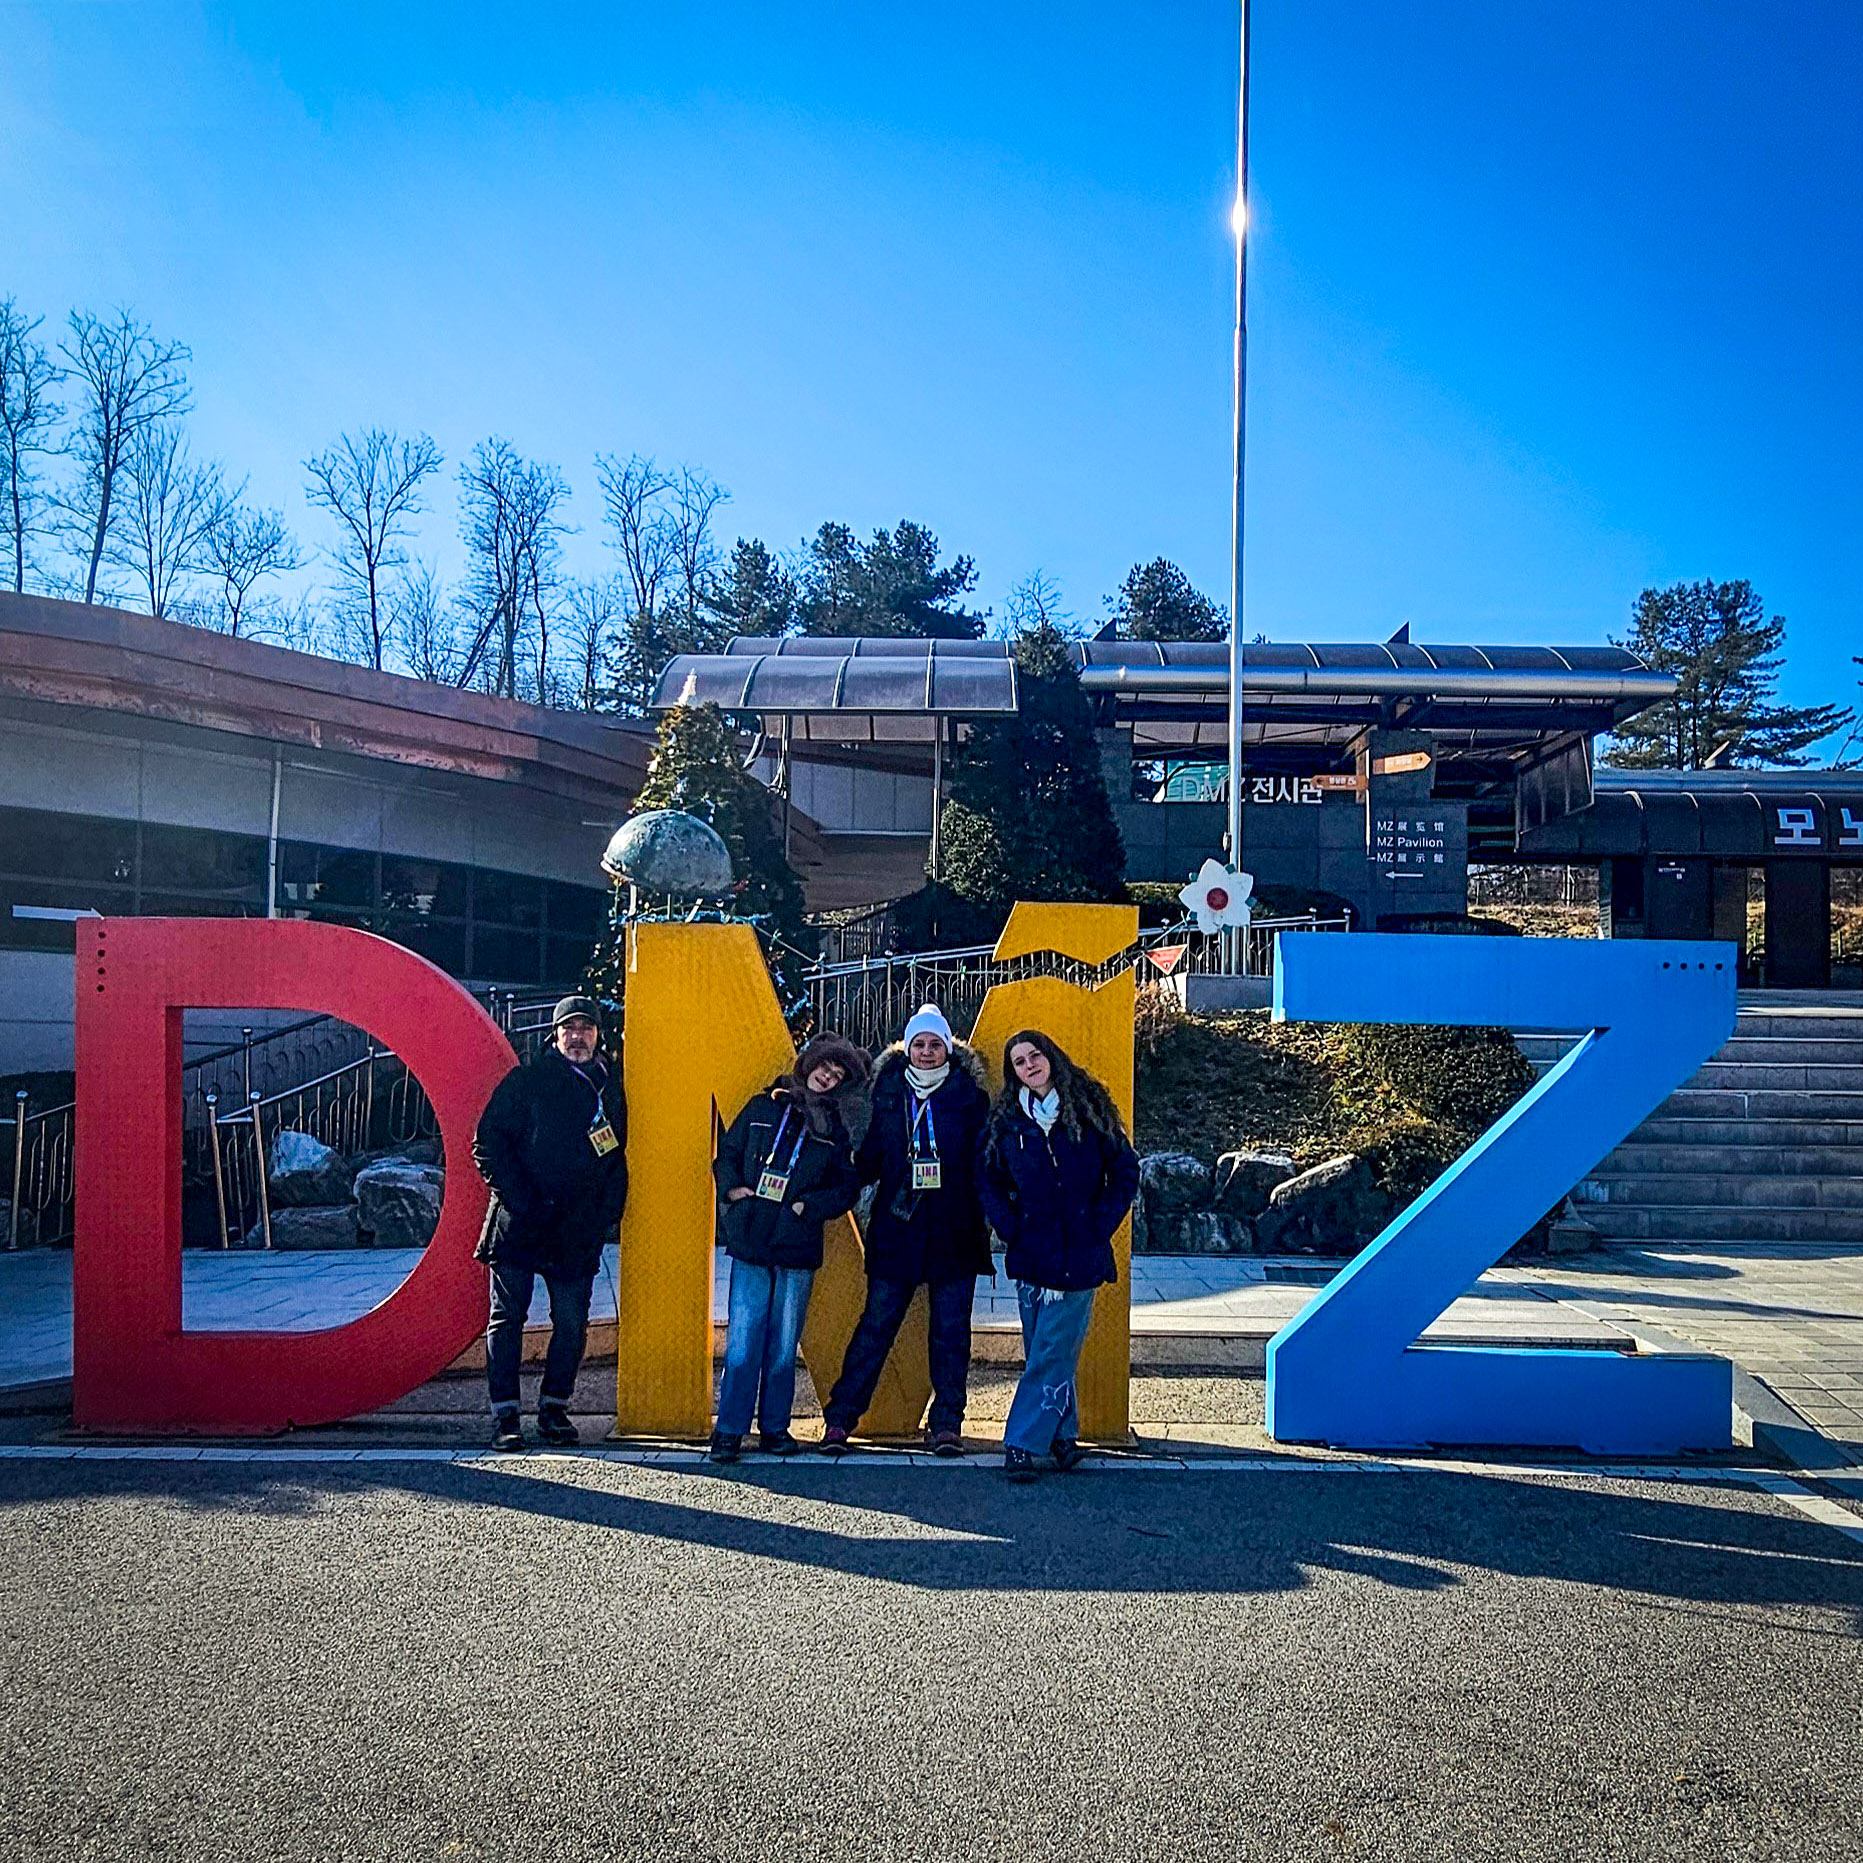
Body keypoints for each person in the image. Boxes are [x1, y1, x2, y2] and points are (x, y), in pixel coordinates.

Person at [819, 1003, 992, 1457]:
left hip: (954, 1232)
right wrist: (831, 1182)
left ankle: (946, 1424)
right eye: (920, 1044)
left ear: (948, 1049)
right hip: (898, 1230)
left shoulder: (969, 1098)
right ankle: (840, 1419)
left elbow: (985, 1164)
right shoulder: (889, 1093)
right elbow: (870, 1159)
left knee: (951, 1334)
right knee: (875, 1327)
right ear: (908, 1048)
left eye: (936, 1044)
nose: (928, 1052)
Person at [977, 1028, 1139, 1483]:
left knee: (1051, 1351)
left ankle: (1022, 1442)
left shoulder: (1087, 1109)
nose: (1030, 1065)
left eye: (1035, 1055)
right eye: (1019, 1062)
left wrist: (1098, 1223)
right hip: (1032, 1255)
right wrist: (1009, 1226)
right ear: (1013, 1072)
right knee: (1045, 1350)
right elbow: (988, 1180)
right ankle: (1062, 1436)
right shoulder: (1008, 1122)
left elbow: (1125, 1171)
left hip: (1079, 1256)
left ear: (1051, 1056)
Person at [472, 994, 628, 1453]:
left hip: (575, 1230)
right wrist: (521, 1200)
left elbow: (617, 1153)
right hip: (521, 1223)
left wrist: (606, 1213)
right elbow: (487, 1143)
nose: (577, 1037)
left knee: (573, 1323)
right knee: (507, 1318)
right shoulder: (527, 1080)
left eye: (586, 1028)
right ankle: (505, 1416)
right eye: (569, 1028)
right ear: (555, 1035)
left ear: (598, 1035)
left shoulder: (611, 1086)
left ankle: (554, 1409)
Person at [711, 1035, 869, 1463]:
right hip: (752, 1239)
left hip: (797, 1245)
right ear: (809, 1064)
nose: (827, 1077)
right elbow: (727, 1154)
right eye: (824, 1067)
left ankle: (775, 1428)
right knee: (743, 1341)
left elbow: (847, 1188)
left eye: (837, 1075)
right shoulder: (763, 1107)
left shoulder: (834, 1130)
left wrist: (808, 1207)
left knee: (783, 1346)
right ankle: (729, 1430)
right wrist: (733, 1192)